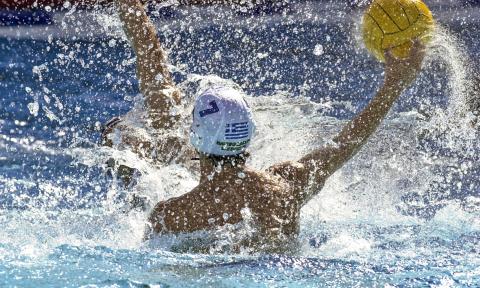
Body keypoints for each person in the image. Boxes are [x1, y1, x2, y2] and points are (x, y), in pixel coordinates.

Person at [103, 0, 426, 251]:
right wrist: (394, 85)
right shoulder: (284, 190)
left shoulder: (168, 217)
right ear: (250, 133)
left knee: (153, 133)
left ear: (196, 136)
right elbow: (344, 143)